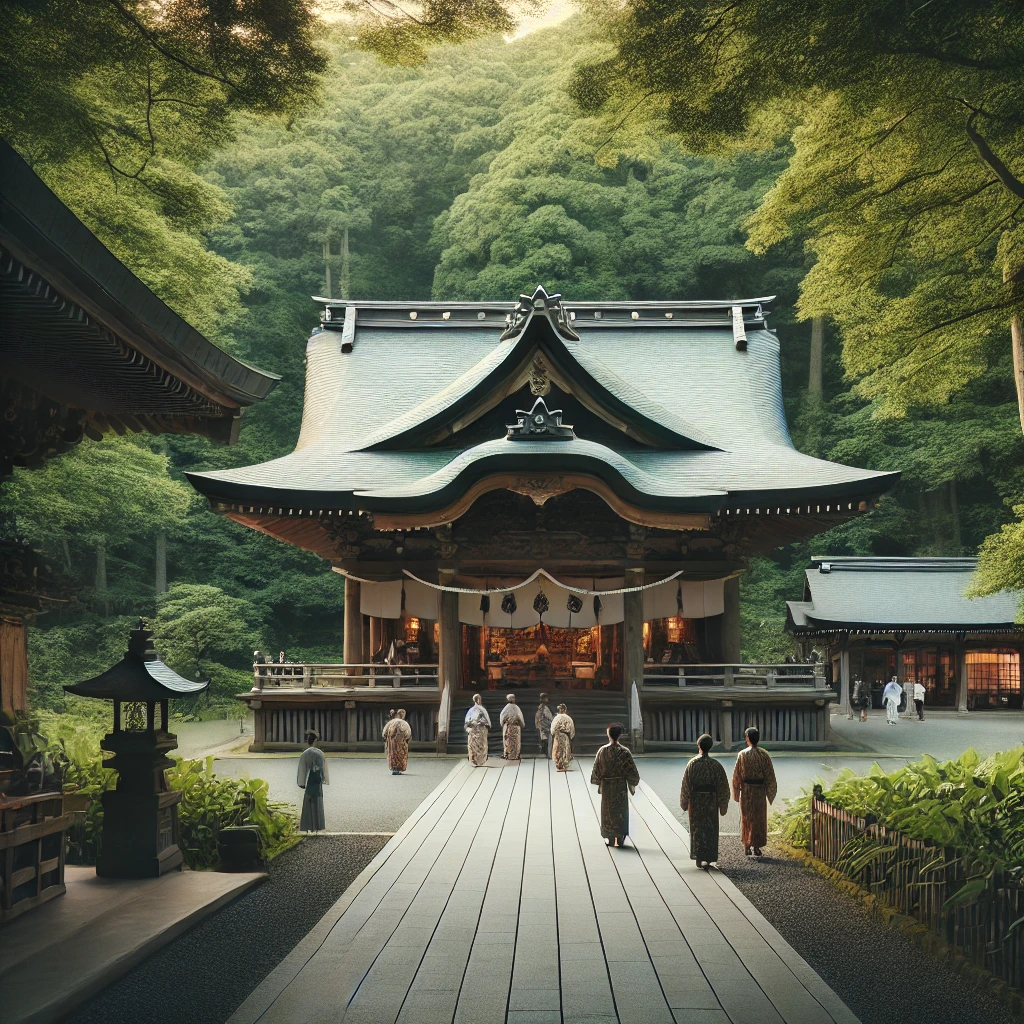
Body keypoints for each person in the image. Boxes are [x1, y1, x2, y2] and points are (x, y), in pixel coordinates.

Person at [679, 734, 730, 869]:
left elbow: (686, 785)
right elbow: (723, 786)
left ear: (698, 746)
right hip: (711, 800)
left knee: (697, 828)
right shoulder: (716, 765)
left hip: (696, 801)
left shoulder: (692, 764)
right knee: (710, 827)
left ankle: (698, 855)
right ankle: (709, 856)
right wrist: (723, 803)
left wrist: (684, 802)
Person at [590, 723, 640, 847]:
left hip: (607, 786)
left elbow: (596, 771)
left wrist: (599, 780)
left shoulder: (602, 751)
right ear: (620, 735)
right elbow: (633, 773)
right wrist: (631, 781)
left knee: (608, 811)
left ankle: (609, 837)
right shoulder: (625, 752)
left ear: (608, 734)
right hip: (620, 786)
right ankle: (620, 836)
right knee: (620, 810)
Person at [731, 727, 778, 857]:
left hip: (746, 790)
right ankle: (756, 847)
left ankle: (746, 845)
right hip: (759, 791)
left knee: (747, 817)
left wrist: (736, 791)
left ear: (747, 738)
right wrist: (770, 792)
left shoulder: (742, 754)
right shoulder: (764, 755)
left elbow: (737, 775)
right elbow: (770, 776)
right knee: (758, 818)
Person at [297, 730, 328, 832]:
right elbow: (323, 769)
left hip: (309, 780)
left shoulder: (305, 754)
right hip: (317, 779)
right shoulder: (319, 754)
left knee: (308, 802)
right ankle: (317, 826)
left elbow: (302, 769)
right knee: (317, 802)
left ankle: (307, 826)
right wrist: (323, 778)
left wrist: (301, 783)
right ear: (315, 740)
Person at [383, 708, 412, 775]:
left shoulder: (390, 722)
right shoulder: (403, 723)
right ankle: (399, 768)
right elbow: (408, 733)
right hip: (401, 742)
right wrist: (407, 739)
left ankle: (394, 768)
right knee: (400, 754)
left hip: (391, 742)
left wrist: (387, 739)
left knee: (392, 754)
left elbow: (384, 733)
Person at [465, 694, 491, 766]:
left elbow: (487, 722)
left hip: (479, 731)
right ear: (477, 700)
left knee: (479, 747)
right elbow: (488, 722)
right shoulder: (480, 710)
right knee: (476, 747)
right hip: (476, 731)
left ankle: (478, 761)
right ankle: (476, 761)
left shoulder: (472, 710)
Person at [499, 693, 525, 760]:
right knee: (513, 742)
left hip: (509, 727)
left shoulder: (506, 708)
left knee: (510, 742)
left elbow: (502, 718)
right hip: (514, 727)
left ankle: (509, 755)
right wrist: (522, 724)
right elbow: (520, 717)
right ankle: (514, 755)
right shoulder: (516, 708)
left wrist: (503, 724)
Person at [550, 704, 575, 771]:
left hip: (557, 735)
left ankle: (558, 764)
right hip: (565, 735)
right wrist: (571, 736)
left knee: (558, 749)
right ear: (565, 710)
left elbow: (552, 729)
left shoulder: (556, 718)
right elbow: (571, 729)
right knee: (565, 749)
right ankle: (564, 764)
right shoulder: (568, 718)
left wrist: (553, 734)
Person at [535, 693, 553, 758]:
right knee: (547, 740)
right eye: (546, 698)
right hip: (545, 726)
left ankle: (547, 753)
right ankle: (548, 754)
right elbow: (549, 717)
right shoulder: (545, 708)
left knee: (545, 739)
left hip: (542, 725)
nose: (547, 700)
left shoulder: (540, 707)